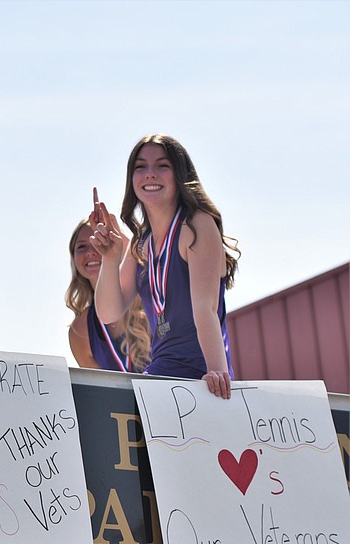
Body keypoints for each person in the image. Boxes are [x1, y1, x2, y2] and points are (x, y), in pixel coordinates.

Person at [89, 135, 240, 399]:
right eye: (140, 167)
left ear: (179, 174)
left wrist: (217, 373)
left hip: (200, 377)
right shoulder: (140, 243)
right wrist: (110, 259)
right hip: (161, 374)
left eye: (162, 165)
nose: (150, 174)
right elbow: (108, 312)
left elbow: (206, 309)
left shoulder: (196, 225)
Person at [66, 218, 150, 372]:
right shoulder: (80, 330)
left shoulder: (149, 299)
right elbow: (103, 392)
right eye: (82, 246)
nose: (91, 252)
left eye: (99, 241)